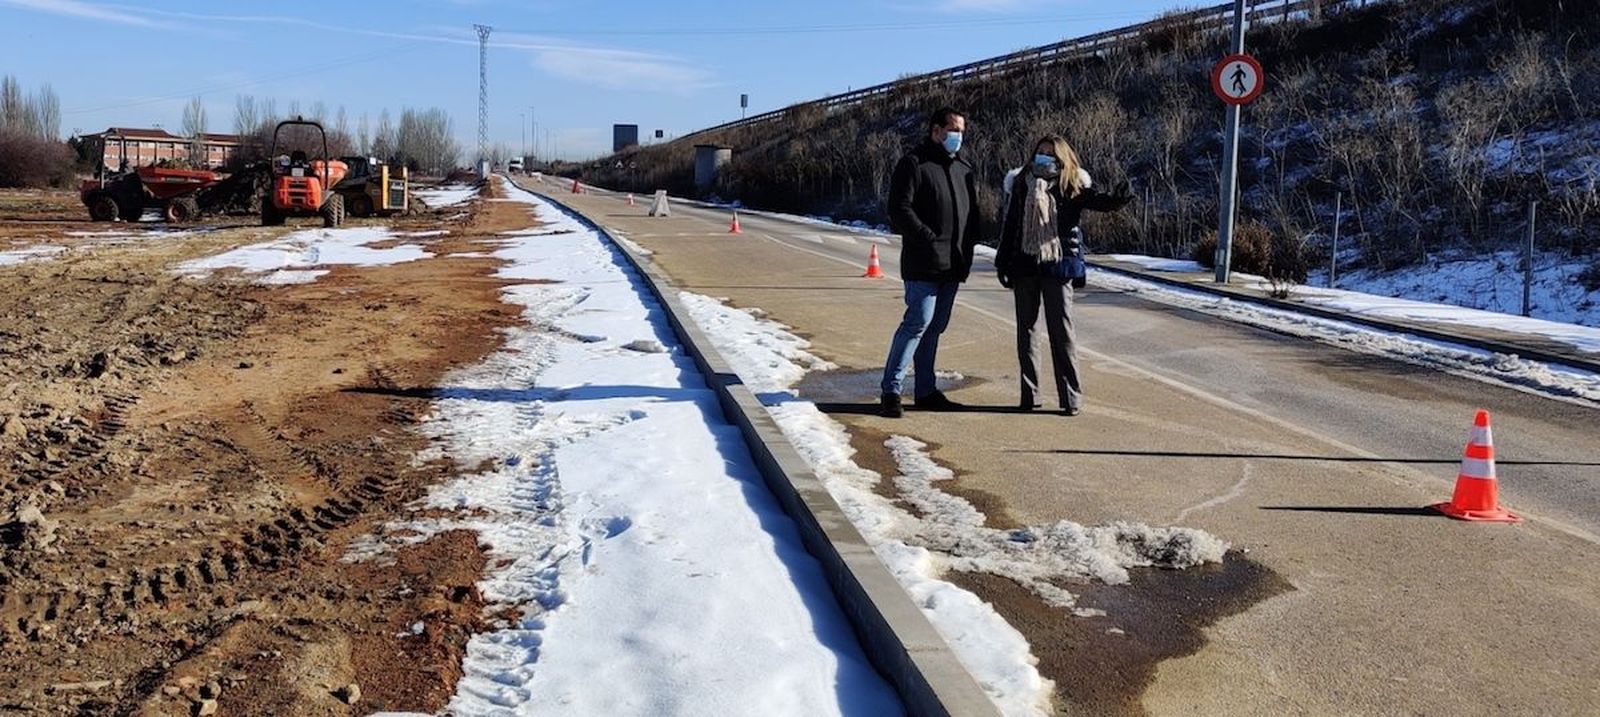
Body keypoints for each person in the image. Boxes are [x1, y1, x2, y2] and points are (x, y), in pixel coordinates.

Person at [994, 135, 1131, 416]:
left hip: (1058, 266)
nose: (1044, 157)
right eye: (1040, 151)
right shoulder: (1021, 182)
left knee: (1062, 332)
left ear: (1062, 157)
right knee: (1027, 333)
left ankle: (1070, 398)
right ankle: (1029, 396)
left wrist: (1118, 199)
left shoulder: (1071, 184)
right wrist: (1002, 261)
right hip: (1024, 265)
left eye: (1050, 153)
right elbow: (1011, 224)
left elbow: (1098, 201)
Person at [879, 107, 981, 418]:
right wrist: (926, 236)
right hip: (923, 262)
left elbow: (972, 215)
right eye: (953, 130)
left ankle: (925, 390)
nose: (958, 136)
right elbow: (899, 208)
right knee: (917, 322)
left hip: (953, 263)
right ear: (936, 131)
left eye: (961, 131)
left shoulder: (963, 168)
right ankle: (891, 390)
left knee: (935, 327)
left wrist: (969, 247)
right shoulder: (914, 163)